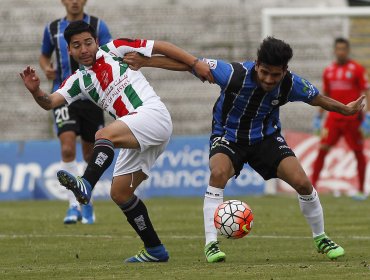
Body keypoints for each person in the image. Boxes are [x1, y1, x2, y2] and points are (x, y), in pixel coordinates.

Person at [122, 36, 365, 263]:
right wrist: (146, 61)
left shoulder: (291, 84)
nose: (270, 80)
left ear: (285, 71)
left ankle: (321, 237)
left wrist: (345, 109)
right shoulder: (233, 73)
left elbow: (319, 99)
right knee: (218, 173)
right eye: (265, 73)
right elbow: (190, 64)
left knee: (303, 183)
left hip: (265, 139)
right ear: (257, 65)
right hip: (228, 137)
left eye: (276, 75)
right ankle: (211, 244)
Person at [20, 21, 213, 263]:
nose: (84, 49)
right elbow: (50, 102)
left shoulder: (115, 49)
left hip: (152, 114)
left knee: (102, 136)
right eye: (77, 45)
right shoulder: (77, 80)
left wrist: (195, 63)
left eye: (88, 42)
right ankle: (155, 249)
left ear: (96, 42)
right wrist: (36, 92)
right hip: (135, 128)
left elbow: (160, 46)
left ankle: (86, 184)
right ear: (69, 51)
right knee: (120, 193)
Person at [40, 0, 112, 224]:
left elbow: (109, 52)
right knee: (68, 147)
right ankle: (73, 206)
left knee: (90, 154)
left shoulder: (98, 25)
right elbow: (44, 55)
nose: (74, 2)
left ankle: (86, 202)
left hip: (92, 95)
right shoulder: (52, 29)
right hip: (63, 95)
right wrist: (46, 68)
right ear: (62, 1)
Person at [311, 37, 370, 200]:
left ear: (348, 50)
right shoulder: (328, 71)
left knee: (358, 153)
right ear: (335, 50)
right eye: (338, 49)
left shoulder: (357, 69)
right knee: (322, 150)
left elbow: (366, 92)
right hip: (333, 119)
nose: (341, 52)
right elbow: (324, 96)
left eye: (344, 49)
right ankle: (311, 190)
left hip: (353, 119)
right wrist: (318, 117)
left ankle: (360, 189)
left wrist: (368, 116)